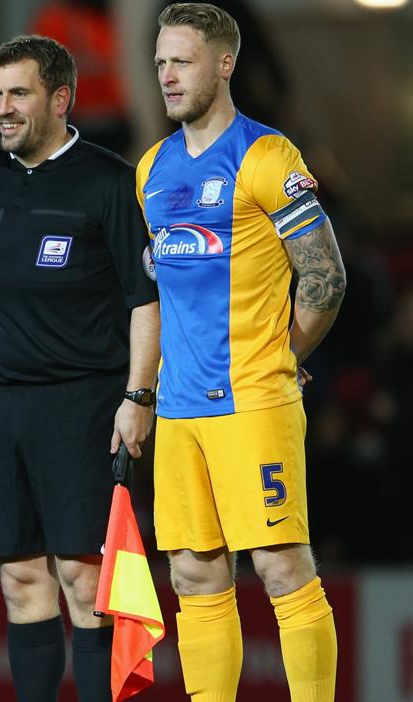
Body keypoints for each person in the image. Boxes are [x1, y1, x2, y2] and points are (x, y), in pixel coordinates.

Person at [137, 4, 345, 700]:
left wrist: (281, 353)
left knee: (283, 566)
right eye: (161, 60)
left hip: (252, 399)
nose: (166, 75)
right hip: (177, 409)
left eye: (182, 60)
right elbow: (162, 297)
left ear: (224, 63)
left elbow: (325, 276)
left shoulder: (267, 155)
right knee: (194, 575)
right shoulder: (152, 170)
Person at [0, 35, 160, 702]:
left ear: (61, 99)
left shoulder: (107, 182)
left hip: (86, 406)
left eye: (19, 93)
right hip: (5, 405)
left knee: (81, 579)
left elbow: (145, 298)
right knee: (19, 578)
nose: (3, 108)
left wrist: (138, 394)